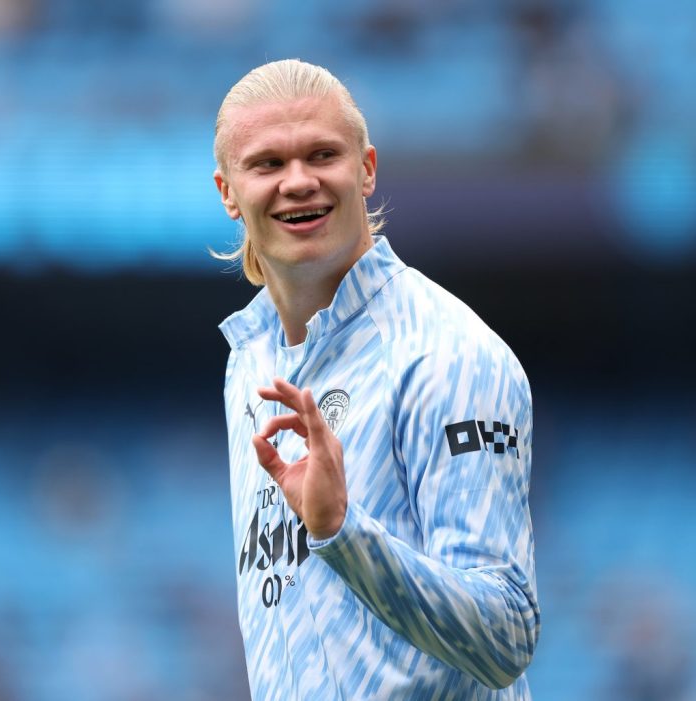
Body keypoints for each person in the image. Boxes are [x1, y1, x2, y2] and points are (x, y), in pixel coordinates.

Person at [214, 58, 540, 700]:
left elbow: (506, 636)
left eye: (322, 155)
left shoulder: (447, 353)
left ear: (366, 169)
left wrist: (344, 531)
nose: (298, 182)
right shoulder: (248, 364)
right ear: (228, 192)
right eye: (268, 164)